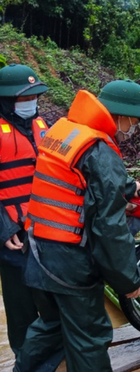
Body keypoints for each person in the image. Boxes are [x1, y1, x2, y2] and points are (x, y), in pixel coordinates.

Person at [14, 80, 140, 372]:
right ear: (120, 115)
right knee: (89, 334)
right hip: (69, 260)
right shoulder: (99, 149)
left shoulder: (65, 130)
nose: (132, 129)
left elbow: (75, 180)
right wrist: (129, 279)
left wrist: (125, 185)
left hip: (37, 248)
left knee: (50, 325)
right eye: (134, 122)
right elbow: (110, 230)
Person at [0, 63, 54, 361]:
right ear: (7, 100)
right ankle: (25, 362)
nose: (29, 104)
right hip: (14, 238)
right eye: (23, 99)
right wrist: (3, 228)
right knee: (21, 311)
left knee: (50, 307)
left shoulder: (43, 126)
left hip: (47, 232)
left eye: (33, 97)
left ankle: (50, 360)